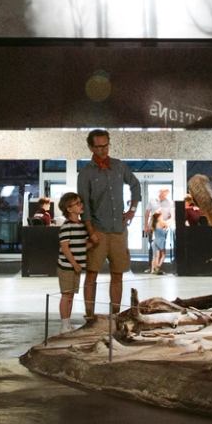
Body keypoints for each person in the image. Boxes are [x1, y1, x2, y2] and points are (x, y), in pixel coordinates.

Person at [75, 128, 140, 324]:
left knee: (118, 274)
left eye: (106, 145)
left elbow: (135, 185)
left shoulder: (120, 167)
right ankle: (89, 316)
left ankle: (115, 316)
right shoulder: (85, 173)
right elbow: (83, 204)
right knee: (92, 274)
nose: (103, 150)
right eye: (98, 147)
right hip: (98, 231)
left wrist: (132, 209)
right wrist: (90, 231)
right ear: (90, 147)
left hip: (119, 231)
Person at [55, 192, 89, 324]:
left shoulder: (81, 225)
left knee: (71, 296)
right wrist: (74, 264)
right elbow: (65, 247)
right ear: (69, 209)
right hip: (67, 267)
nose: (81, 205)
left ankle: (67, 321)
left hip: (76, 267)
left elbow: (83, 244)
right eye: (77, 203)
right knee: (66, 295)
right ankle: (64, 323)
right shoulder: (66, 226)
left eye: (81, 202)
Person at [147, 187, 175, 275]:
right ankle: (156, 268)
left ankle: (153, 269)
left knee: (156, 255)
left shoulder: (155, 223)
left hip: (156, 239)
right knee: (160, 254)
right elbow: (147, 213)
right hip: (160, 239)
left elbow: (171, 217)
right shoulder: (161, 223)